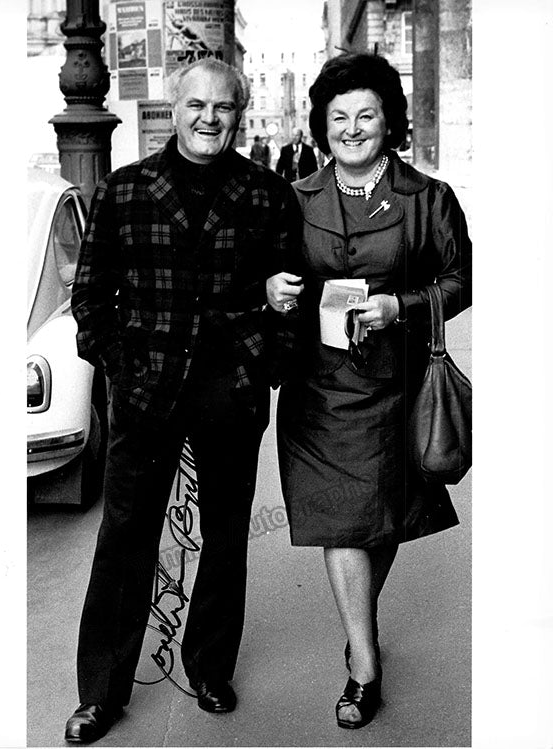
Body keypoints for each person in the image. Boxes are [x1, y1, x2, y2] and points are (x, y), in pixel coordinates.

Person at [64, 57, 300, 744]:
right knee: (124, 537)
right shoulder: (125, 190)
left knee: (226, 537)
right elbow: (90, 300)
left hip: (231, 390)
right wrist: (124, 371)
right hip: (147, 391)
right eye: (196, 104)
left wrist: (265, 368)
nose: (209, 118)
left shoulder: (266, 194)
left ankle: (210, 668)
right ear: (174, 109)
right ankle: (101, 693)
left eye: (223, 107)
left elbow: (292, 295)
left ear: (239, 114)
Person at [266, 53, 471, 730]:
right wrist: (274, 289)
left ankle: (360, 627)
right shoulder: (295, 199)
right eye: (339, 117)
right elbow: (266, 274)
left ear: (389, 122)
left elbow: (461, 280)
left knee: (378, 517)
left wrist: (399, 306)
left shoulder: (427, 198)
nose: (351, 129)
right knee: (342, 520)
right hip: (319, 391)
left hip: (397, 387)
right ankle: (364, 661)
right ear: (322, 125)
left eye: (366, 115)